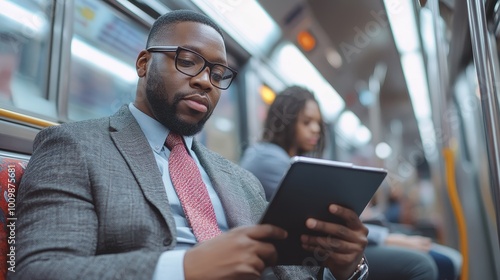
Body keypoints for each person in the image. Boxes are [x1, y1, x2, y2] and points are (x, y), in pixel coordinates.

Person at [12, 10, 369, 280]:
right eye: (187, 61)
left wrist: (347, 267)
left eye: (217, 74)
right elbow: (43, 270)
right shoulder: (75, 146)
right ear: (144, 63)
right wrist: (184, 267)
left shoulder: (242, 181)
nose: (204, 82)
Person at [240, 85, 455, 280]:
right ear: (285, 122)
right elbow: (321, 216)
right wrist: (390, 239)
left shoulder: (297, 161)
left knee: (443, 259)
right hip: (306, 251)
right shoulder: (267, 159)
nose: (315, 129)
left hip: (323, 247)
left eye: (318, 123)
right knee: (423, 266)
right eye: (307, 122)